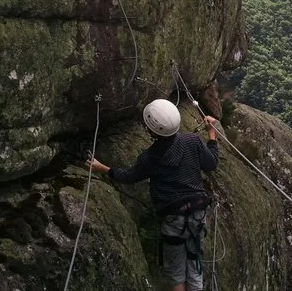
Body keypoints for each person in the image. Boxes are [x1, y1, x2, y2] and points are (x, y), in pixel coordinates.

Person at [86, 99, 219, 291]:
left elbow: (129, 176)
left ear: (152, 130)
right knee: (194, 263)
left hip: (173, 216)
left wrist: (103, 168)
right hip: (197, 212)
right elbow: (212, 163)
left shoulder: (150, 158)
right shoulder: (192, 141)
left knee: (177, 274)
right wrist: (211, 133)